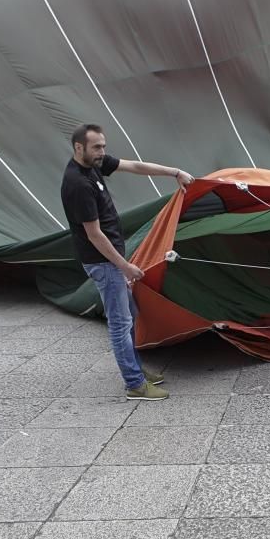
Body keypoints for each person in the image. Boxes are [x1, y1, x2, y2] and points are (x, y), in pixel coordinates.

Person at [60, 124, 193, 401]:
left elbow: (134, 166)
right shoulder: (77, 184)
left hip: (111, 261)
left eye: (104, 146)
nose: (102, 152)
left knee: (130, 314)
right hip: (104, 263)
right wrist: (124, 266)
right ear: (78, 148)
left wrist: (174, 172)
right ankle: (134, 384)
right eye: (97, 147)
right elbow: (94, 235)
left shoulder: (94, 166)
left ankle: (135, 369)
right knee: (120, 323)